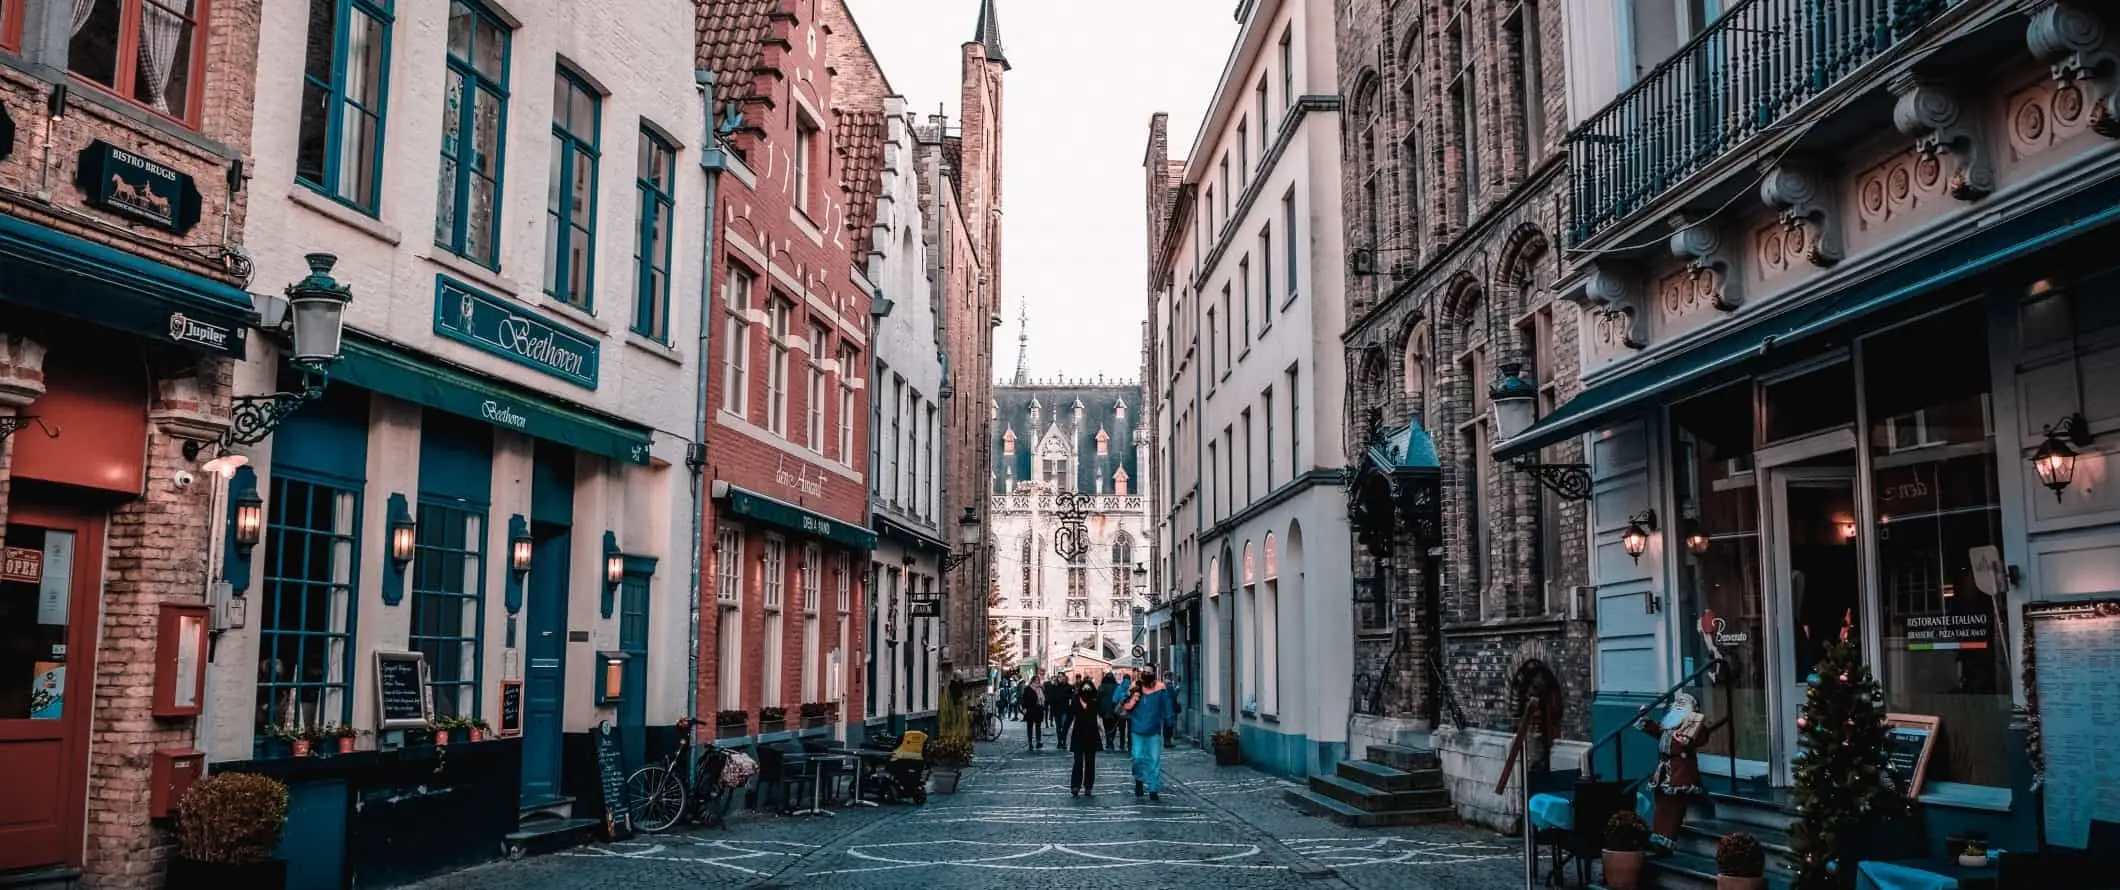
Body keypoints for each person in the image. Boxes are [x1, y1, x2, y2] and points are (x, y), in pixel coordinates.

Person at [1121, 669, 1177, 801]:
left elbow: (1167, 705)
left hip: (1154, 730)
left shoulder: (1160, 689)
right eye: (1144, 671)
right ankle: (1139, 780)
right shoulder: (1136, 687)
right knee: (1137, 757)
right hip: (1137, 730)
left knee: (1154, 760)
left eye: (1149, 672)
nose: (1146, 674)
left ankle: (1153, 788)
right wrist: (1133, 698)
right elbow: (1125, 705)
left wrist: (1169, 720)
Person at [1069, 682, 1104, 796]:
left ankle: (1088, 786)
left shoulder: (1094, 701)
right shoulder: (1076, 700)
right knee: (1078, 761)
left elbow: (1101, 713)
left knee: (1090, 762)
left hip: (1091, 734)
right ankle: (1075, 785)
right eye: (1084, 688)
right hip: (1078, 734)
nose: (1086, 690)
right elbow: (1071, 714)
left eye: (1089, 688)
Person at [1101, 672, 1125, 750]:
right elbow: (1120, 698)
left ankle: (1108, 741)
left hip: (1104, 710)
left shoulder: (1101, 687)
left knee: (1106, 726)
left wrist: (1099, 710)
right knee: (1113, 727)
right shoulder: (1117, 687)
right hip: (1114, 709)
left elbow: (1098, 699)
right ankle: (1111, 740)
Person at [1021, 676, 1045, 749]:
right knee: (1030, 727)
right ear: (1032, 681)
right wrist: (1024, 708)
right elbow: (1024, 699)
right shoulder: (1028, 689)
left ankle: (1038, 742)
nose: (1037, 682)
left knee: (1038, 727)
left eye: (1038, 680)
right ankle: (1030, 743)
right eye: (1035, 680)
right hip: (1030, 710)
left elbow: (1043, 699)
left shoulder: (1040, 689)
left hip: (1038, 709)